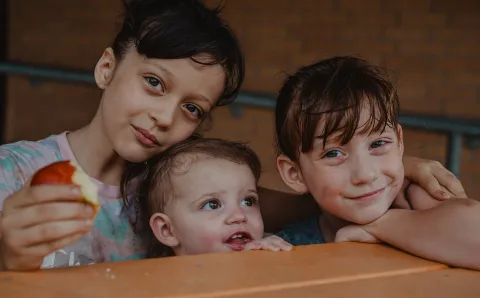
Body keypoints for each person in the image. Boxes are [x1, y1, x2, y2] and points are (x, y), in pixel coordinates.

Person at [0, 0, 465, 271]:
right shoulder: (14, 171)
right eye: (155, 83)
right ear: (106, 68)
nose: (164, 116)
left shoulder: (185, 185)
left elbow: (314, 198)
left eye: (192, 108)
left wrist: (399, 172)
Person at [274, 56, 480, 270]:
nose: (365, 174)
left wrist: (381, 227)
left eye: (378, 143)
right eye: (333, 154)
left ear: (399, 142)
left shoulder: (413, 199)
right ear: (294, 173)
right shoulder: (288, 248)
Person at [123, 137, 292, 257]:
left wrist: (271, 266)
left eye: (248, 201)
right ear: (167, 230)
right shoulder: (159, 287)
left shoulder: (262, 257)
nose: (239, 216)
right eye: (212, 204)